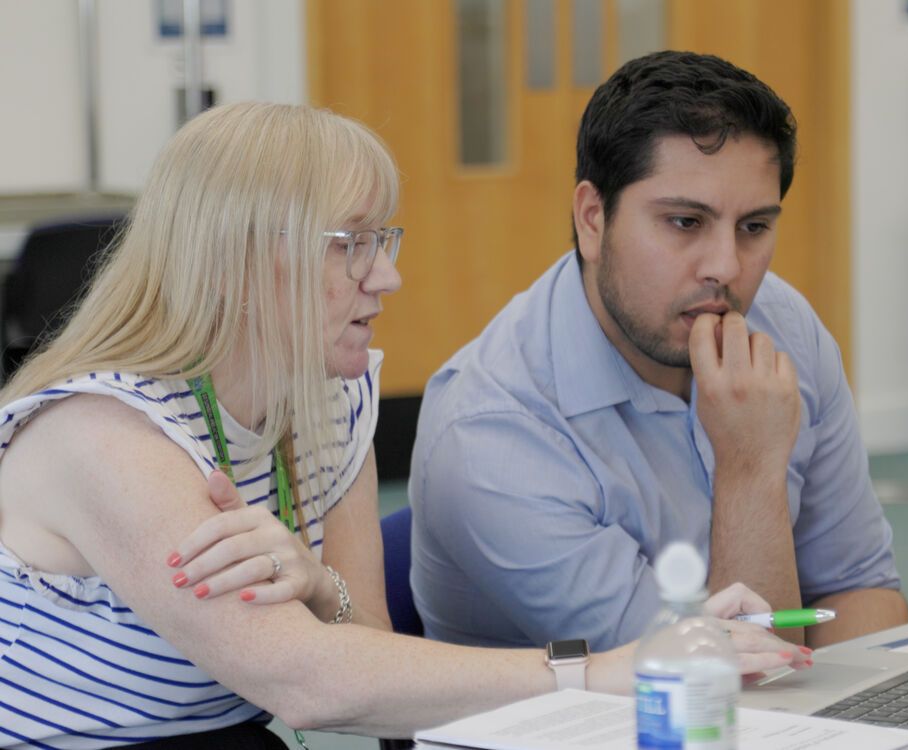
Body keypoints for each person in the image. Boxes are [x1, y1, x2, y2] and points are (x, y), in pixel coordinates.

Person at [0, 101, 806, 749]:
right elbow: (310, 685)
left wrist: (321, 588)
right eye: (352, 244)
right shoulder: (101, 433)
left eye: (383, 239)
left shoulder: (327, 400)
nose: (387, 277)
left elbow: (365, 647)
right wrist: (605, 671)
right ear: (240, 257)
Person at [409, 50, 908, 655]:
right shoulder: (492, 433)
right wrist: (750, 467)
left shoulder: (784, 325)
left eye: (754, 227)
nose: (726, 268)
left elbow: (863, 591)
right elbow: (714, 685)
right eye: (684, 223)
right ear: (593, 219)